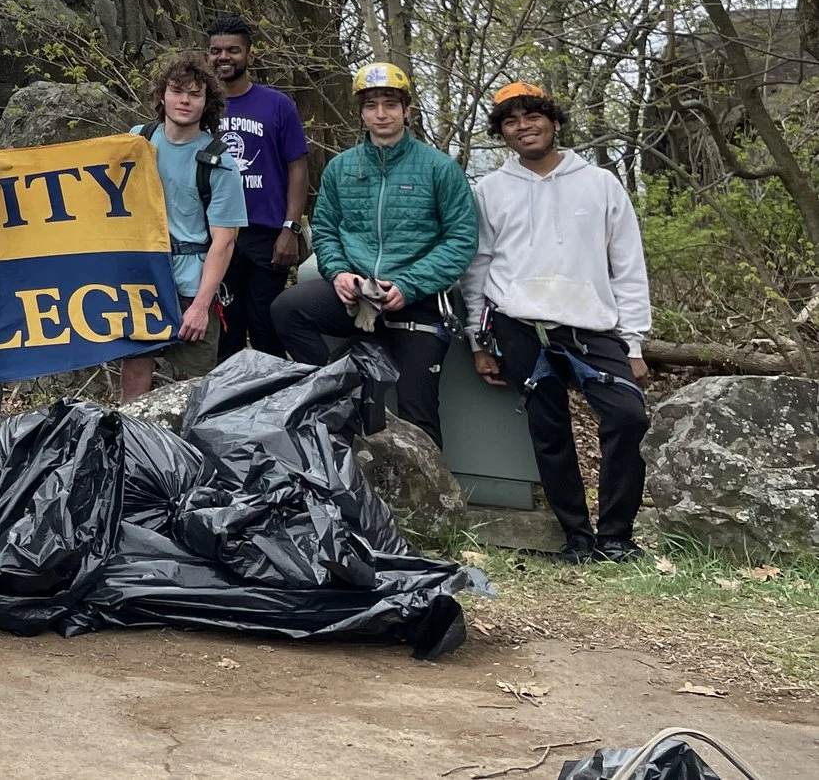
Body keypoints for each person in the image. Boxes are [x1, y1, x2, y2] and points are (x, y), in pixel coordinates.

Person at [466, 82, 654, 562]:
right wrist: (478, 341)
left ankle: (615, 536)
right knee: (548, 432)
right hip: (519, 325)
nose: (523, 127)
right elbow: (478, 269)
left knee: (628, 418)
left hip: (591, 327)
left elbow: (628, 265)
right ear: (501, 132)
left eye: (532, 116)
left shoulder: (600, 184)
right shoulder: (489, 191)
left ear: (553, 121)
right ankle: (577, 538)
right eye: (510, 121)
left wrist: (633, 343)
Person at [273, 61, 479, 441]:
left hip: (416, 300)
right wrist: (339, 273)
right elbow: (326, 230)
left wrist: (410, 284)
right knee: (287, 310)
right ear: (361, 113)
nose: (381, 113)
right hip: (358, 298)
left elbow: (461, 240)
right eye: (371, 105)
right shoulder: (340, 169)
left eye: (390, 104)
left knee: (418, 414)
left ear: (407, 109)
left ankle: (428, 480)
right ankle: (333, 396)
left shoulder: (439, 169)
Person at [116, 50, 246, 402]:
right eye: (176, 90)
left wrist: (201, 306)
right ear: (162, 95)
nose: (184, 100)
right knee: (135, 375)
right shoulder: (138, 141)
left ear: (207, 102)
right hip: (143, 278)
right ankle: (129, 435)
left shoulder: (220, 163)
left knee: (193, 387)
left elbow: (224, 242)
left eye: (194, 94)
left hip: (193, 283)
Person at [206, 14, 311, 359]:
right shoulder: (199, 106)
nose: (224, 57)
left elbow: (298, 167)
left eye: (233, 50)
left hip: (266, 233)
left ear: (250, 55)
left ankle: (275, 391)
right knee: (226, 333)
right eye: (216, 50)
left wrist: (291, 228)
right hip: (215, 234)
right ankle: (228, 393)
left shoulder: (277, 105)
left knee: (267, 327)